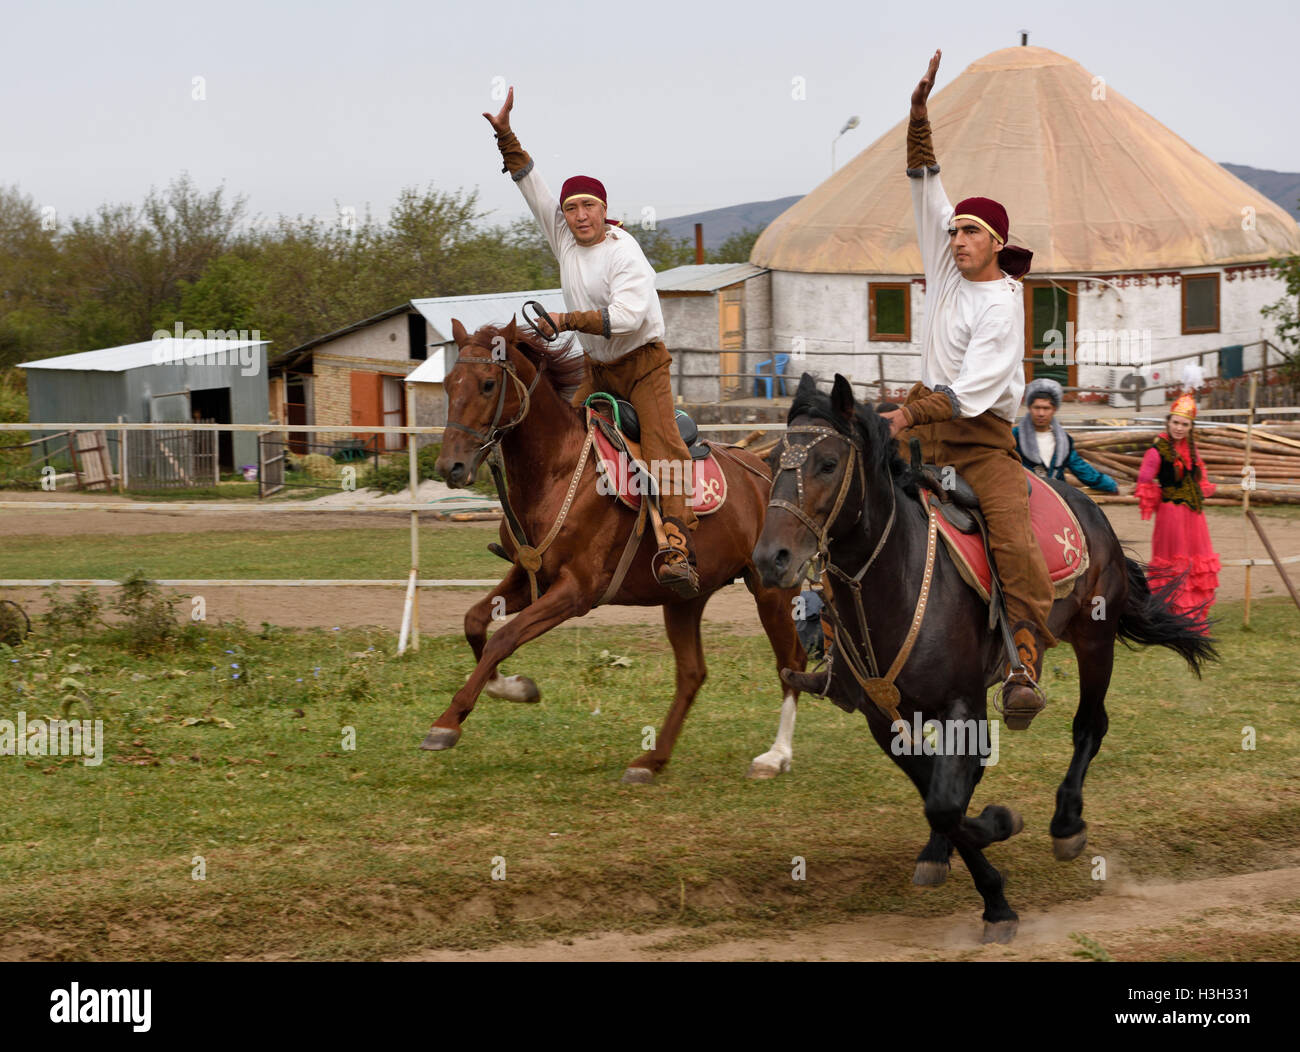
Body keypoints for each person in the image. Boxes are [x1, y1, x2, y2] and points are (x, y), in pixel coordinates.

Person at [878, 50, 1055, 730]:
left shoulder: (1004, 303)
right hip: (923, 424)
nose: (954, 236)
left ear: (995, 240)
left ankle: (1024, 659)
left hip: (979, 439)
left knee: (1011, 533)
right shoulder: (947, 269)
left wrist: (903, 415)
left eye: (969, 230)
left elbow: (976, 390)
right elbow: (927, 185)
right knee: (847, 494)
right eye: (952, 230)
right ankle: (827, 628)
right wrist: (919, 116)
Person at [483, 87, 700, 598]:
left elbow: (628, 317)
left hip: (643, 367)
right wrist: (506, 136)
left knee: (666, 449)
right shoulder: (561, 234)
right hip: (598, 371)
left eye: (588, 206)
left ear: (605, 211)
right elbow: (531, 186)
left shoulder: (626, 254)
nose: (579, 215)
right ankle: (537, 531)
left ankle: (676, 546)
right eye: (572, 207)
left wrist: (565, 318)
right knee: (558, 439)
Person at [1135, 394, 1220, 630]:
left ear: (1191, 427)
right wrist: (1157, 495)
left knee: (1194, 562)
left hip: (1194, 518)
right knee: (1173, 563)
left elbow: (1200, 477)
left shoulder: (1192, 450)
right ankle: (1170, 616)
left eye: (1185, 424)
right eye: (1175, 422)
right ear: (1168, 422)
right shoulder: (1157, 450)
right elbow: (1144, 479)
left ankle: (1192, 617)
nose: (1179, 428)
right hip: (1171, 516)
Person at [1013, 378, 1119, 493]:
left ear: (1054, 409)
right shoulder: (1015, 437)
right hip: (1024, 496)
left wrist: (1110, 485)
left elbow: (1081, 469)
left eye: (1046, 408)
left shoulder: (1064, 441)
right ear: (1029, 408)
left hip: (1056, 497)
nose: (1041, 414)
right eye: (1037, 408)